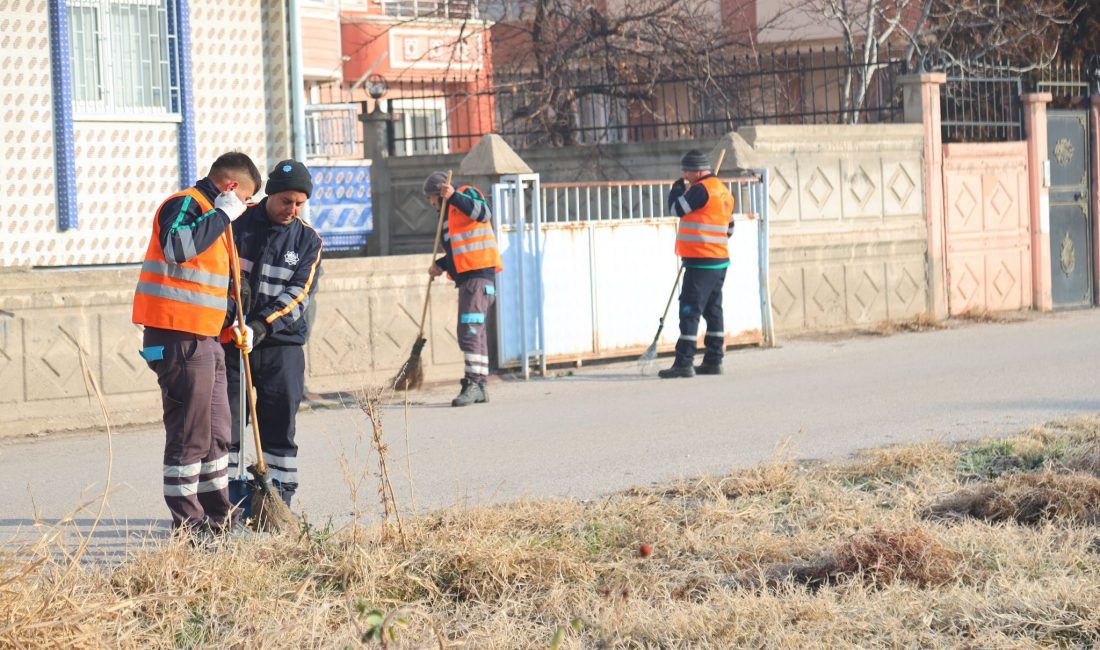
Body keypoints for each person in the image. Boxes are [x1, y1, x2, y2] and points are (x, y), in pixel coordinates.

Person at [132, 152, 260, 534]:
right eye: (248, 199)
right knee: (191, 438)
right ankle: (190, 527)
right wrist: (222, 214)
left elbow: (207, 284)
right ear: (231, 188)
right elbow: (177, 249)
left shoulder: (214, 217)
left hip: (207, 339)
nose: (247, 208)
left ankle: (219, 520)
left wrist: (236, 322)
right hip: (177, 338)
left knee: (218, 436)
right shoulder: (188, 204)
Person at [223, 160, 323, 508]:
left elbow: (298, 295)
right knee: (229, 424)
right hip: (232, 341)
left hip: (282, 343)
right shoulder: (238, 224)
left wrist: (260, 326)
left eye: (299, 203)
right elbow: (222, 277)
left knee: (279, 424)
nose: (292, 210)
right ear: (270, 194)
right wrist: (233, 320)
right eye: (285, 201)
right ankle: (229, 499)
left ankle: (277, 500)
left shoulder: (308, 240)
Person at [424, 171, 502, 407]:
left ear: (440, 193)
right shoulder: (447, 220)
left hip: (479, 277)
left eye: (432, 199)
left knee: (470, 331)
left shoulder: (467, 195)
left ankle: (474, 383)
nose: (432, 205)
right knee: (472, 331)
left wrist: (455, 196)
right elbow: (458, 254)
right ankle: (479, 384)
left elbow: (484, 212)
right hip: (470, 279)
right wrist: (440, 265)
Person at [658, 149, 736, 379]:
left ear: (697, 171)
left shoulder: (701, 190)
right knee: (713, 311)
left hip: (701, 262)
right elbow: (729, 229)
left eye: (686, 171)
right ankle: (714, 359)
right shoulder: (723, 192)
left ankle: (684, 362)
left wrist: (677, 191)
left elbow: (676, 210)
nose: (684, 175)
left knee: (689, 310)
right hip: (718, 260)